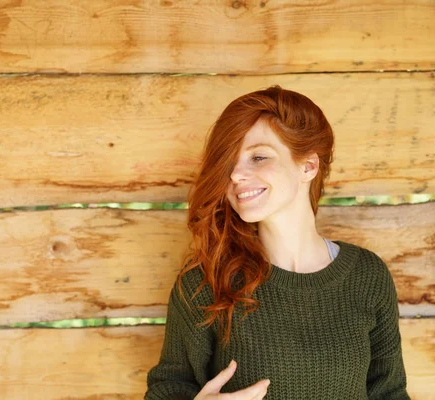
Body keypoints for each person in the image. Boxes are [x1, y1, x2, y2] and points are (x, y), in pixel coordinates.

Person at [144, 85, 410, 399]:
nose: (235, 175)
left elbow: (389, 392)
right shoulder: (206, 283)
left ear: (308, 166)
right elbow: (166, 389)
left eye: (258, 157)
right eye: (229, 163)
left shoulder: (367, 276)